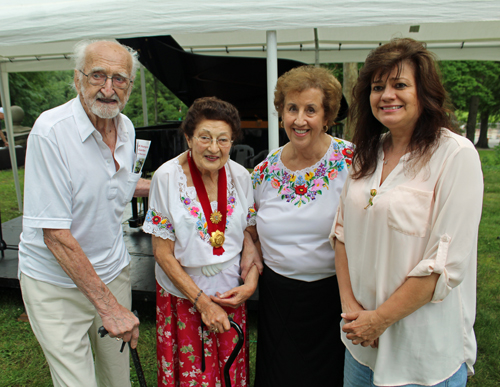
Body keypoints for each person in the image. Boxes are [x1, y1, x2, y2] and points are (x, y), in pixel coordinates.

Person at [331, 38, 483, 387]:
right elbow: (341, 234)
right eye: (378, 86)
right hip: (361, 346)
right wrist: (354, 311)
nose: (387, 95)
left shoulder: (454, 155)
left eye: (400, 85)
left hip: (421, 355)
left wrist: (380, 319)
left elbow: (444, 265)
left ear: (424, 93)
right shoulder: (366, 154)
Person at [18, 39, 150, 387]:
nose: (108, 89)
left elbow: (118, 186)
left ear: (130, 86)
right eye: (98, 75)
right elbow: (55, 235)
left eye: (119, 79)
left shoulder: (127, 129)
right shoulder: (51, 132)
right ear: (77, 79)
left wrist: (172, 183)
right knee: (77, 382)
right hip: (55, 283)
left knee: (117, 379)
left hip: (112, 271)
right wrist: (109, 308)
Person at [143, 96, 259, 387]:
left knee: (230, 369)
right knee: (192, 374)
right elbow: (162, 252)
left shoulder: (241, 177)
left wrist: (251, 281)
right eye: (204, 137)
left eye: (223, 140)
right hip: (183, 297)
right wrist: (203, 304)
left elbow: (250, 235)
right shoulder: (166, 177)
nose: (213, 147)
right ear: (188, 138)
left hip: (231, 294)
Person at [251, 65, 353, 386]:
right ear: (281, 112)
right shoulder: (264, 171)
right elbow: (250, 228)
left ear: (327, 116)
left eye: (311, 110)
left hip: (334, 298)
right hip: (278, 300)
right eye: (291, 108)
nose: (299, 120)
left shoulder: (353, 161)